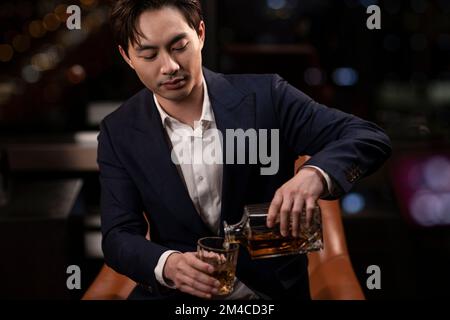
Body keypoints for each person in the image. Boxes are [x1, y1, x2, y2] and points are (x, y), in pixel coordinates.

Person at [98, 0, 391, 300]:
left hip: (268, 295)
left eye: (179, 46)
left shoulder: (267, 97)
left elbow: (368, 137)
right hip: (180, 298)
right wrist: (168, 265)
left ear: (200, 34)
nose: (169, 66)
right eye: (148, 54)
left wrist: (315, 174)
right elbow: (118, 235)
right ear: (127, 57)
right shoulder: (118, 131)